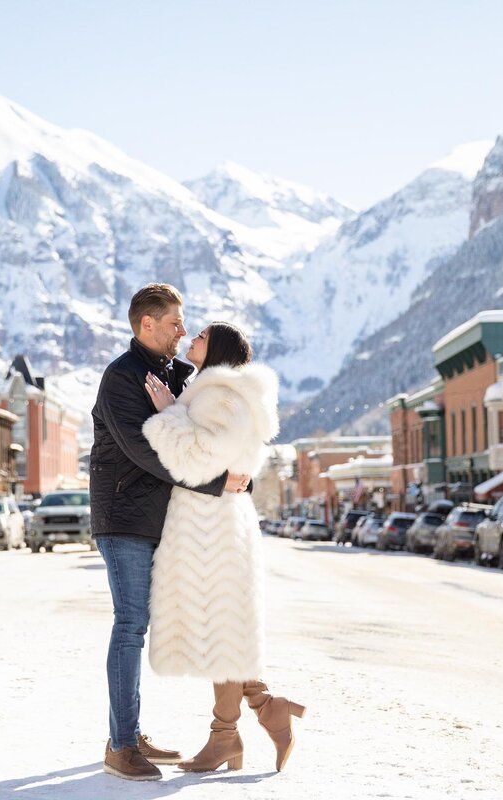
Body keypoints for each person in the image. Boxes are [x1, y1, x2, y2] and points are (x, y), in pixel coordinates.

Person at [90, 283, 252, 782]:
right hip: (125, 520)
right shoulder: (121, 378)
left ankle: (135, 731)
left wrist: (239, 465)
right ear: (147, 325)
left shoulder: (176, 374)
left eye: (186, 324)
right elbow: (149, 453)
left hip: (167, 522)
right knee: (131, 624)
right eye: (175, 323)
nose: (183, 330)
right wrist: (215, 482)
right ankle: (121, 745)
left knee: (198, 617)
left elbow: (210, 430)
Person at [142, 321, 305, 773]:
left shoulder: (220, 396)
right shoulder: (218, 392)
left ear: (217, 350)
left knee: (222, 631)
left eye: (202, 336)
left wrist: (168, 412)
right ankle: (266, 708)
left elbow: (196, 459)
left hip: (210, 528)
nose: (192, 338)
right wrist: (178, 407)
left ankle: (225, 737)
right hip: (212, 525)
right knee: (222, 628)